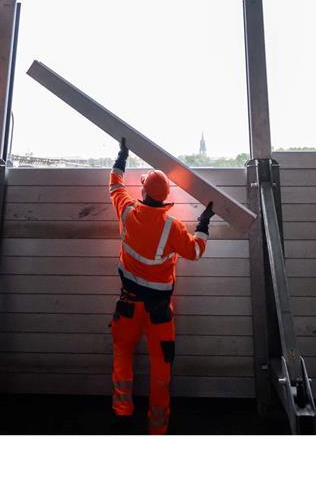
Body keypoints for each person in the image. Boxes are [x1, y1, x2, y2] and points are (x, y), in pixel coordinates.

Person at [108, 136, 215, 434]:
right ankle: (158, 426)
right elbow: (194, 252)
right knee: (161, 369)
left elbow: (115, 186)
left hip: (127, 306)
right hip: (159, 313)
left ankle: (121, 411)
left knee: (122, 356)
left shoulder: (128, 212)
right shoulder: (173, 228)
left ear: (142, 191)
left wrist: (121, 158)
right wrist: (204, 225)